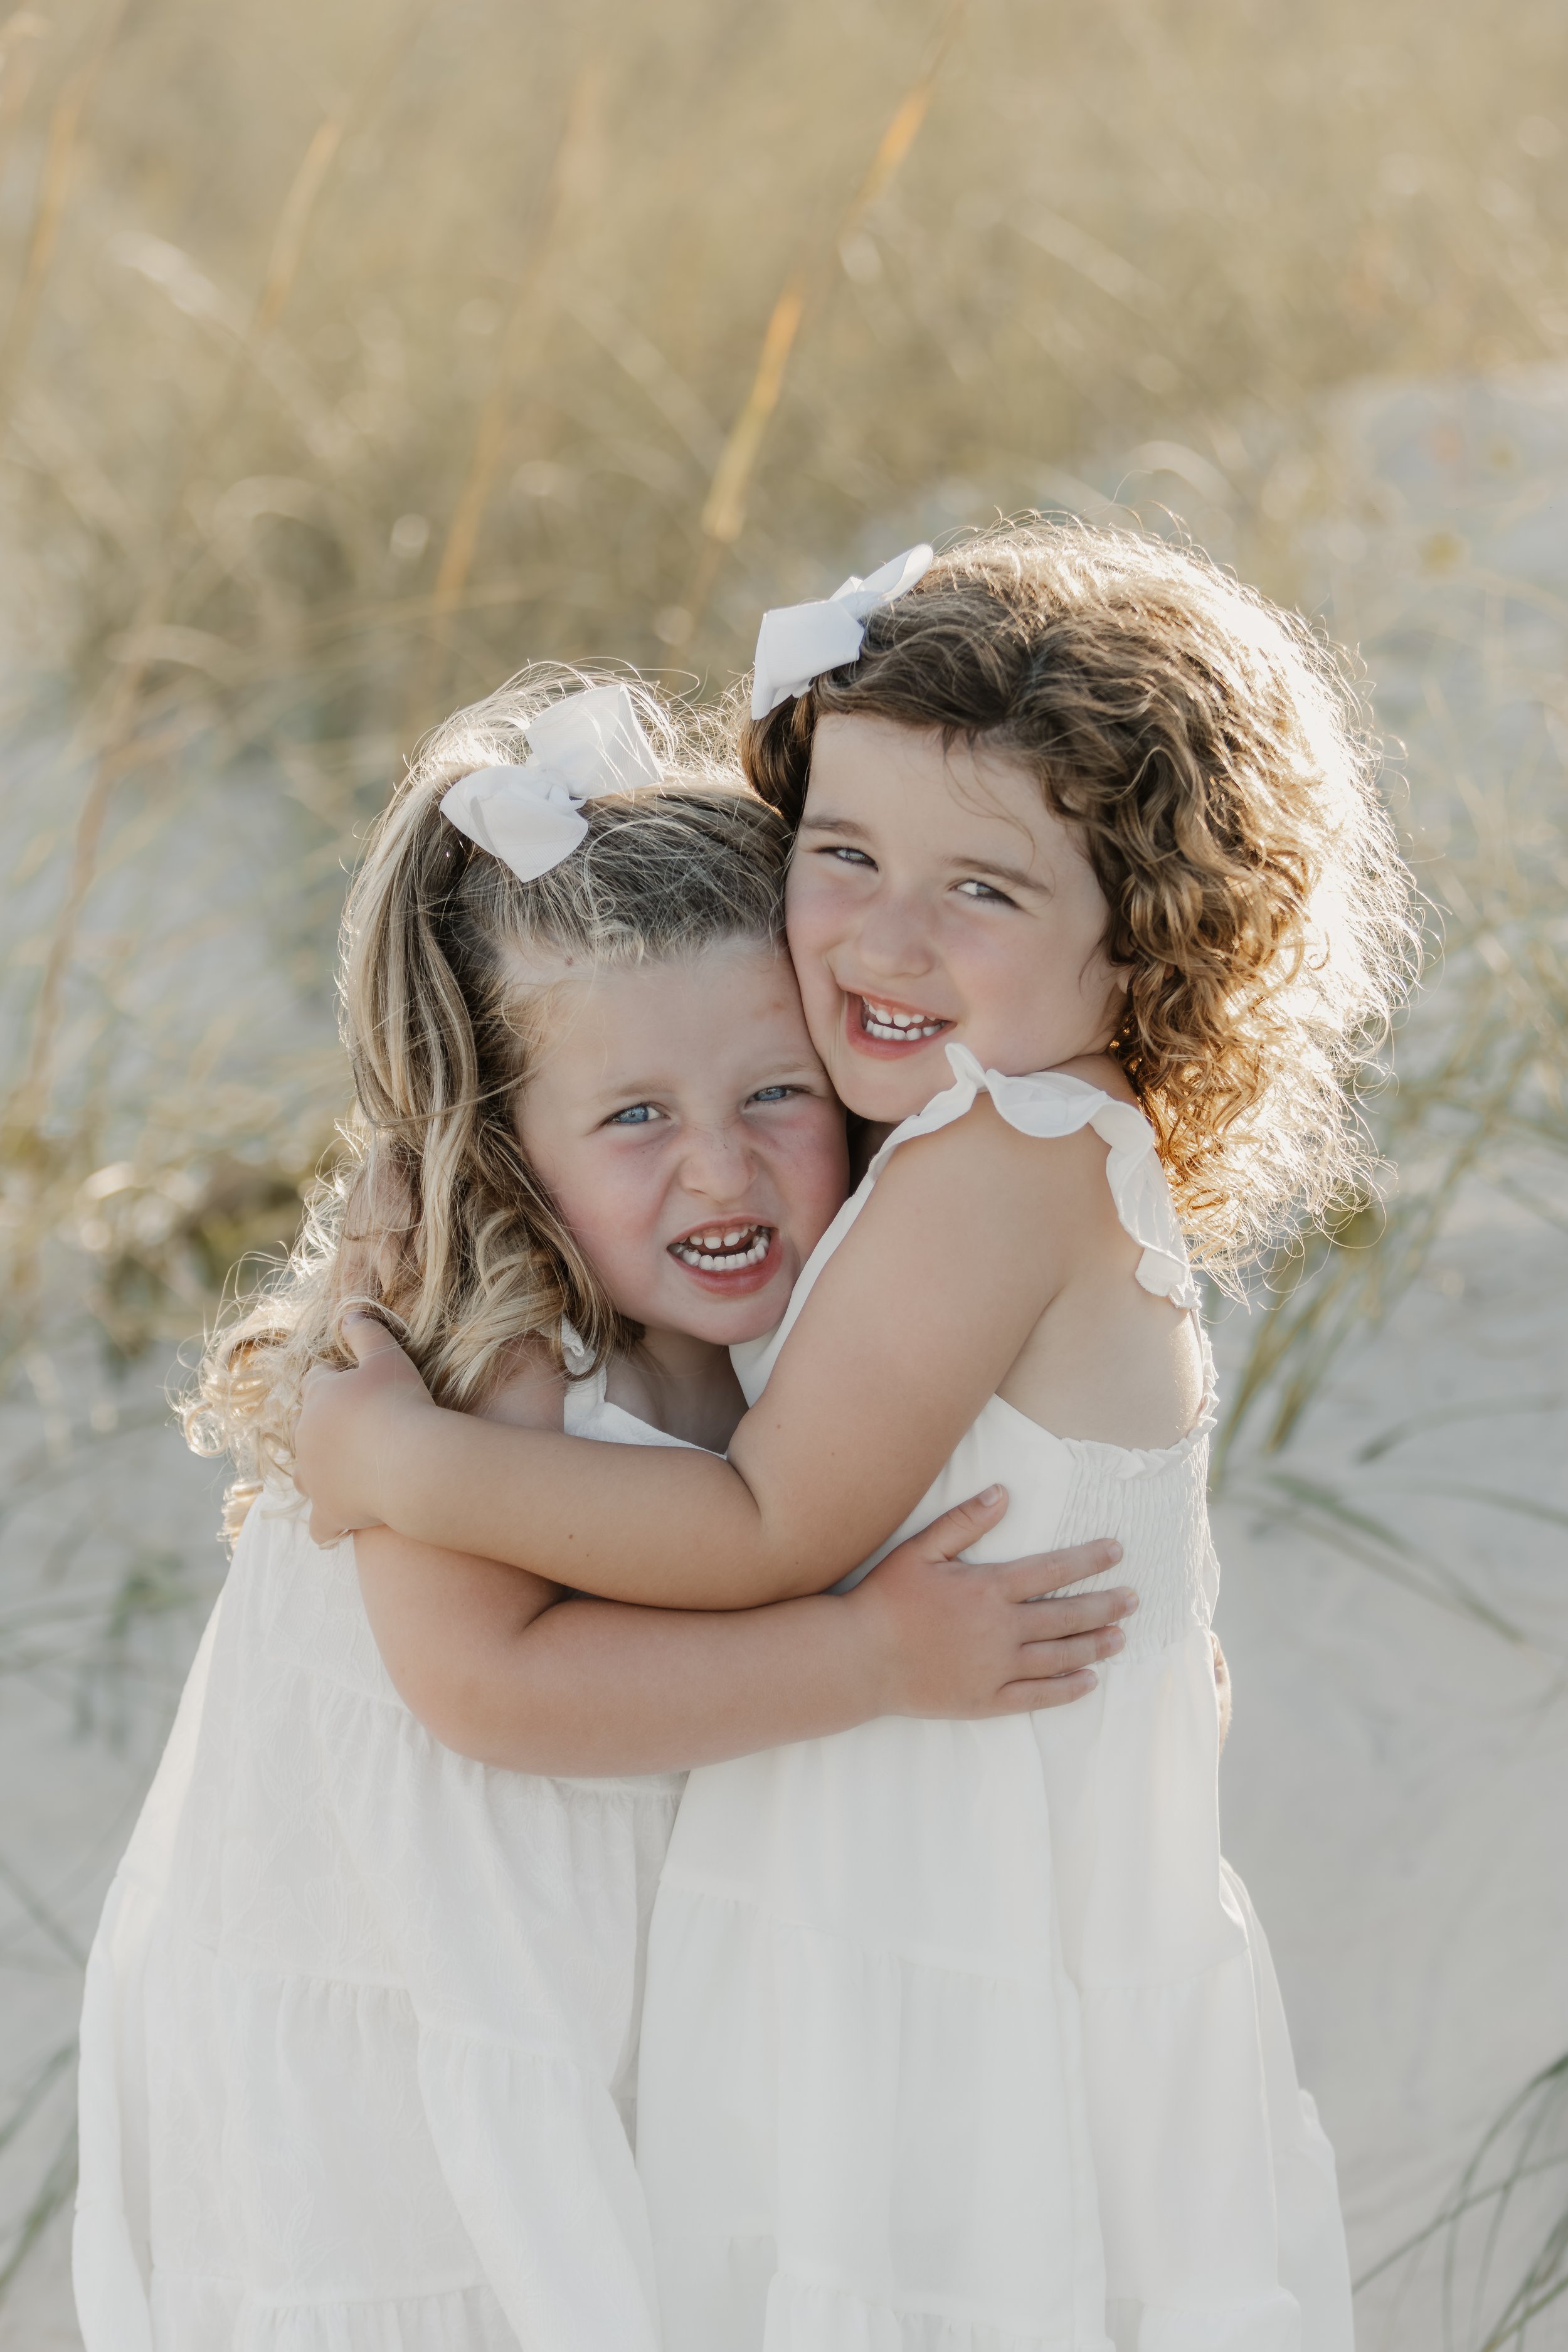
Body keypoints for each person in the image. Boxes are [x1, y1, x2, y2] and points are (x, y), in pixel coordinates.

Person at [298, 524, 1414, 2349]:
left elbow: (765, 1531)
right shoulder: (989, 1133)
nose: (883, 937)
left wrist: (402, 1467)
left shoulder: (1001, 1162)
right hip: (926, 1899)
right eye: (841, 854)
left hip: (952, 1959)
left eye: (981, 890)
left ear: (1152, 935)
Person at [72, 675, 1129, 2352]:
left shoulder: (792, 1319)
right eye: (634, 1118)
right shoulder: (482, 1350)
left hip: (578, 1981)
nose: (717, 1170)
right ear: (511, 1144)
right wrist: (867, 1657)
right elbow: (492, 1692)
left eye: (774, 1096)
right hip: (414, 2025)